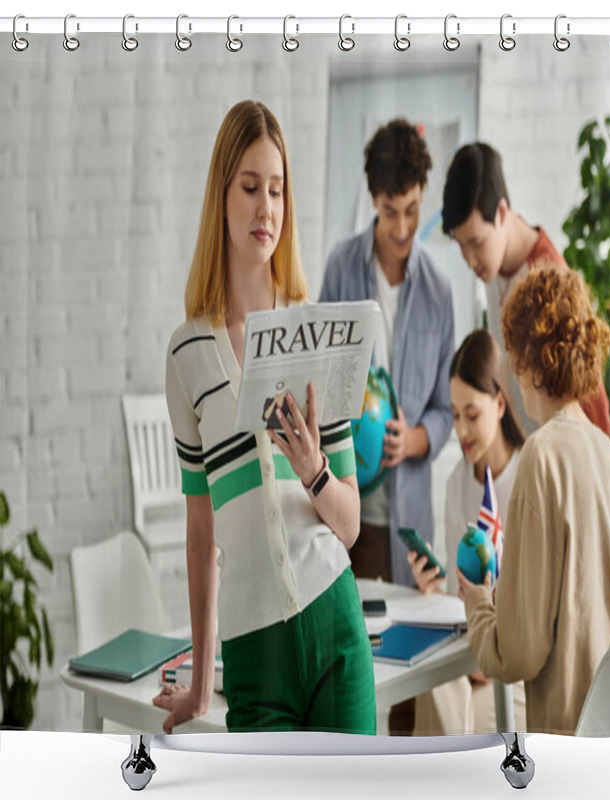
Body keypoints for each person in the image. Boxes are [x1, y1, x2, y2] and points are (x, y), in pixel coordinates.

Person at [152, 100, 375, 735]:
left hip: (335, 625)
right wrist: (199, 687)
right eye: (250, 187)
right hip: (252, 655)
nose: (265, 208)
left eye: (276, 190)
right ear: (221, 196)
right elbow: (201, 534)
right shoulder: (186, 353)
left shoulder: (317, 330)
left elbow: (351, 524)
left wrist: (314, 471)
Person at [458, 264, 610, 735]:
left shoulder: (541, 456)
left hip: (567, 744)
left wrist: (478, 604)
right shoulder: (608, 453)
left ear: (527, 361)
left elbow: (519, 652)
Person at [319, 118, 454, 589]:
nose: (402, 227)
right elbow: (320, 375)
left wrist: (415, 439)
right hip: (343, 512)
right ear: (373, 201)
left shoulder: (439, 290)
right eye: (390, 211)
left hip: (407, 524)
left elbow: (445, 407)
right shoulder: (341, 267)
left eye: (413, 210)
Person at [441, 142, 610, 438]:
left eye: (476, 243)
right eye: (461, 245)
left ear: (502, 213)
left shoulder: (549, 281)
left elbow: (593, 401)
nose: (470, 260)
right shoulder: (493, 269)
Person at [408, 329, 526, 735]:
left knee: (467, 716)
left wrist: (494, 657)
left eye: (471, 415)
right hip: (471, 650)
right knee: (437, 684)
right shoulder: (457, 483)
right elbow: (460, 593)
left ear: (499, 403)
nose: (461, 431)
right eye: (455, 416)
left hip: (516, 663)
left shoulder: (530, 478)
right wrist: (432, 591)